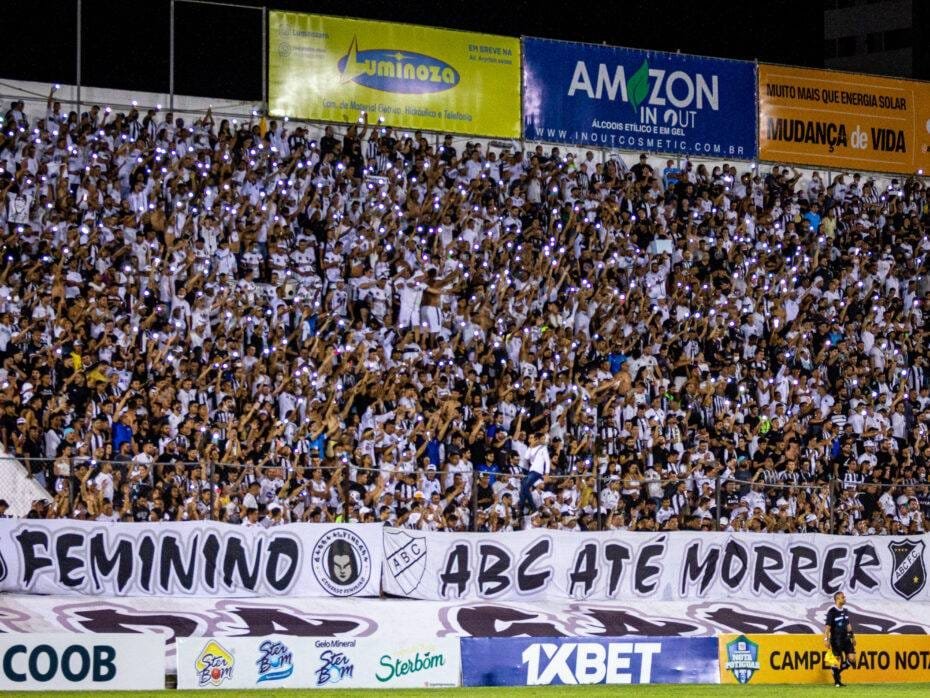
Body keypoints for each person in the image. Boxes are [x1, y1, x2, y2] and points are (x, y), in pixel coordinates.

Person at [824, 590, 856, 687]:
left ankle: (837, 672)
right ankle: (837, 682)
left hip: (846, 638)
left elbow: (848, 625)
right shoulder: (832, 611)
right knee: (836, 659)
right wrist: (826, 639)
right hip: (836, 639)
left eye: (844, 597)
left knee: (852, 658)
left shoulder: (845, 611)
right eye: (843, 597)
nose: (845, 599)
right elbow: (827, 627)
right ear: (837, 599)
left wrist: (852, 636)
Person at [517, 431, 550, 522]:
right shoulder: (532, 448)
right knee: (524, 487)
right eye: (542, 439)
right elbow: (526, 457)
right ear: (538, 439)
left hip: (538, 471)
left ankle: (530, 508)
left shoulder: (544, 448)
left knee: (525, 486)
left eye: (544, 438)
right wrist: (531, 445)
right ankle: (522, 508)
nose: (544, 440)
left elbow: (547, 461)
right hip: (531, 470)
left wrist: (547, 474)